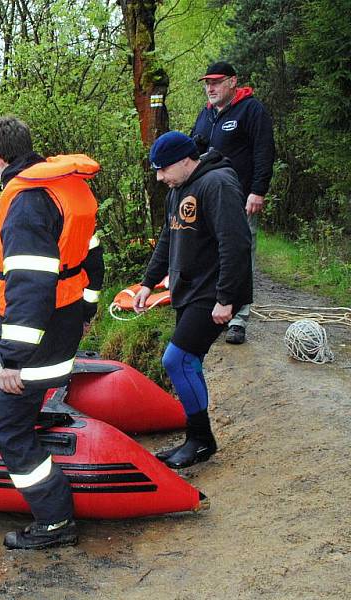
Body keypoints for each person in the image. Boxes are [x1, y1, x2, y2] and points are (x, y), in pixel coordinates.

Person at [0, 116, 103, 550]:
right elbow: (93, 258)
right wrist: (88, 308)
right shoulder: (68, 188)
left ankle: (54, 521)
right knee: (19, 406)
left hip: (37, 335)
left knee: (10, 431)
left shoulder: (28, 201)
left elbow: (30, 284)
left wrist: (12, 357)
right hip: (65, 319)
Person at [134, 131, 252, 469]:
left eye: (163, 169)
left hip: (213, 293)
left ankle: (201, 439)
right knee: (190, 363)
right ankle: (195, 437)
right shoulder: (178, 189)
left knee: (176, 360)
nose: (159, 178)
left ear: (186, 160)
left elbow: (236, 243)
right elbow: (167, 241)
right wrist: (147, 283)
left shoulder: (217, 184)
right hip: (188, 291)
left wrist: (227, 298)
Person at [191, 61, 275, 345]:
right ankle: (216, 309)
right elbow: (193, 154)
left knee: (241, 251)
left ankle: (239, 318)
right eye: (207, 83)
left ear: (232, 82)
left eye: (215, 82)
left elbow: (264, 151)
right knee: (212, 253)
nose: (210, 88)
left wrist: (258, 190)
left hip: (241, 198)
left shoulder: (251, 110)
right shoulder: (206, 115)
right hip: (208, 200)